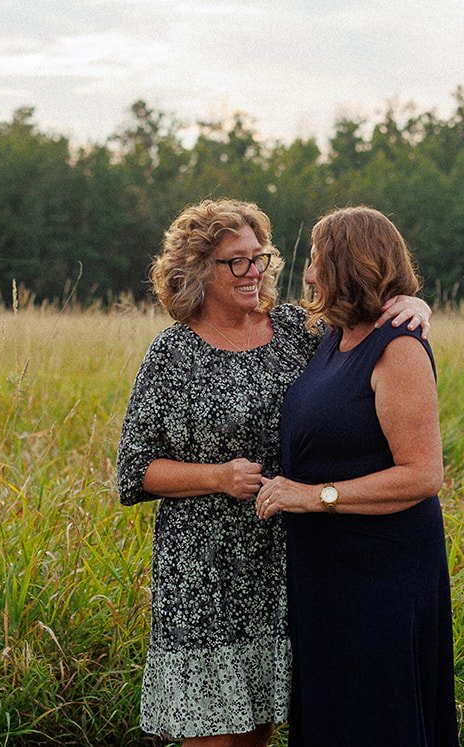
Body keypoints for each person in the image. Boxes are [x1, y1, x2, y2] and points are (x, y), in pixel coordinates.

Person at [115, 199, 430, 747]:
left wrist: (412, 303)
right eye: (236, 261)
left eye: (259, 257)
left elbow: (368, 332)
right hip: (201, 575)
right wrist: (216, 477)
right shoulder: (172, 355)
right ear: (196, 272)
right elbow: (133, 471)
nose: (254, 271)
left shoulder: (295, 330)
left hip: (280, 564)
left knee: (259, 731)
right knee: (211, 735)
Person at [256, 206, 457, 747]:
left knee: (376, 713)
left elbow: (423, 475)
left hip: (381, 571)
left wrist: (312, 496)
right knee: (333, 710)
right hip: (324, 571)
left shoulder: (397, 347)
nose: (306, 272)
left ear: (346, 265)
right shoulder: (328, 337)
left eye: (317, 259)